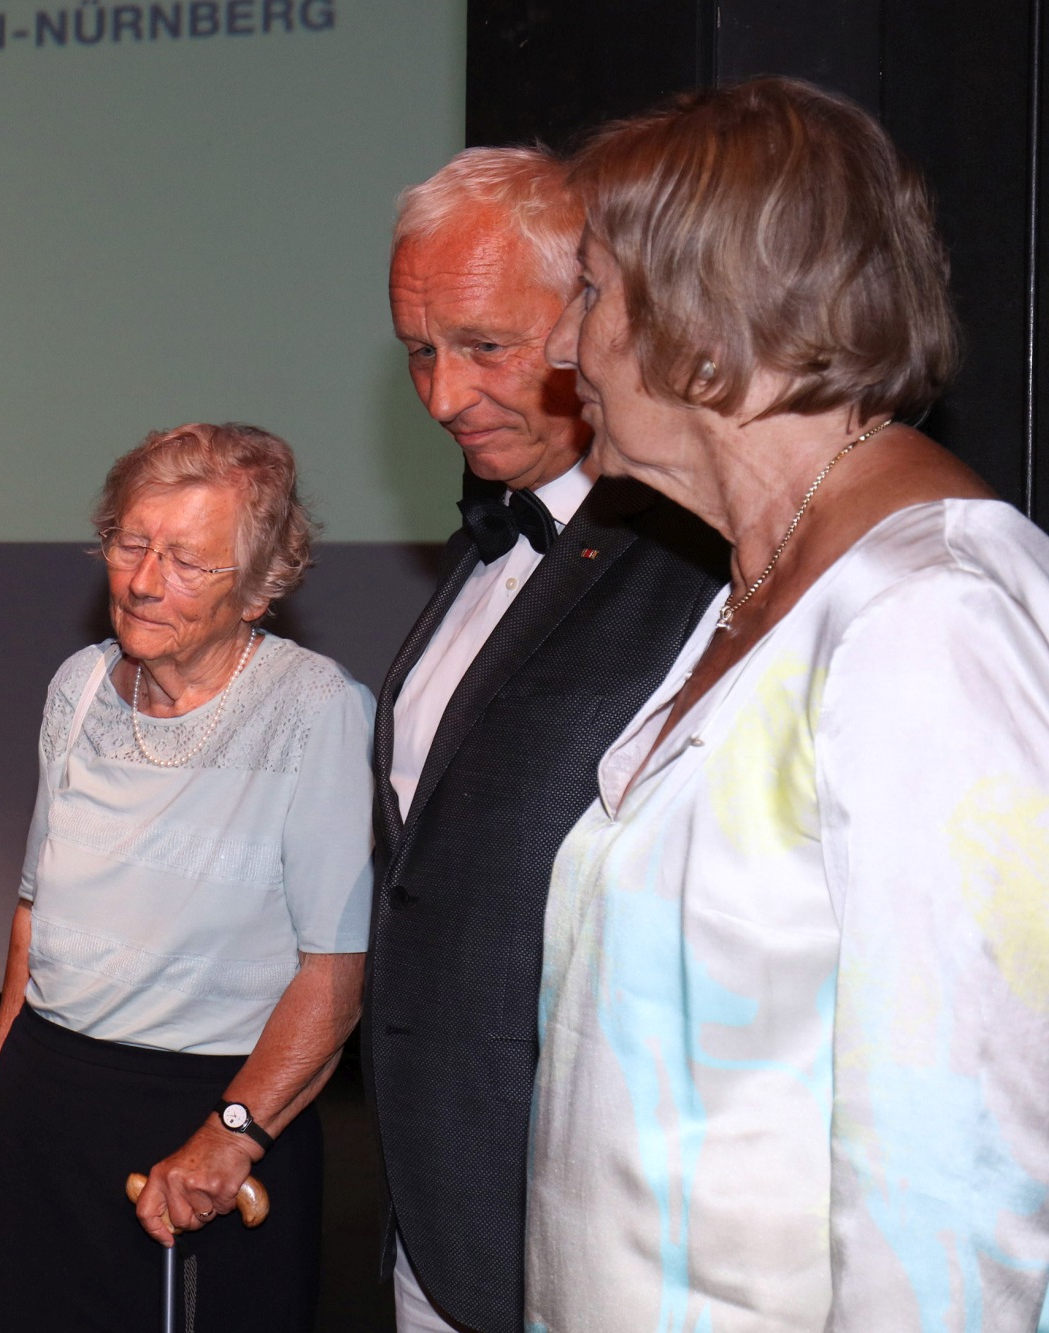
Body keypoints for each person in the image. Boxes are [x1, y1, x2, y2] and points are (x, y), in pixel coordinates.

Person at [527, 77, 1049, 1330]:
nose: (558, 347)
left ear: (706, 318)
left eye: (589, 291)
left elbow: (957, 1188)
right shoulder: (760, 588)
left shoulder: (926, 620)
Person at [368, 148, 725, 1333]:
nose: (440, 396)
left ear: (596, 315)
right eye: (421, 351)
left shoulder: (700, 565)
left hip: (598, 1236)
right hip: (440, 1215)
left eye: (481, 344)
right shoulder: (482, 548)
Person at [0, 423, 374, 1333]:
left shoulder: (317, 709)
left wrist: (229, 1138)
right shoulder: (80, 686)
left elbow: (334, 974)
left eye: (185, 561)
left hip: (207, 1115)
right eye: (131, 543)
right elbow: (34, 913)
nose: (141, 580)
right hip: (47, 1095)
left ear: (258, 590)